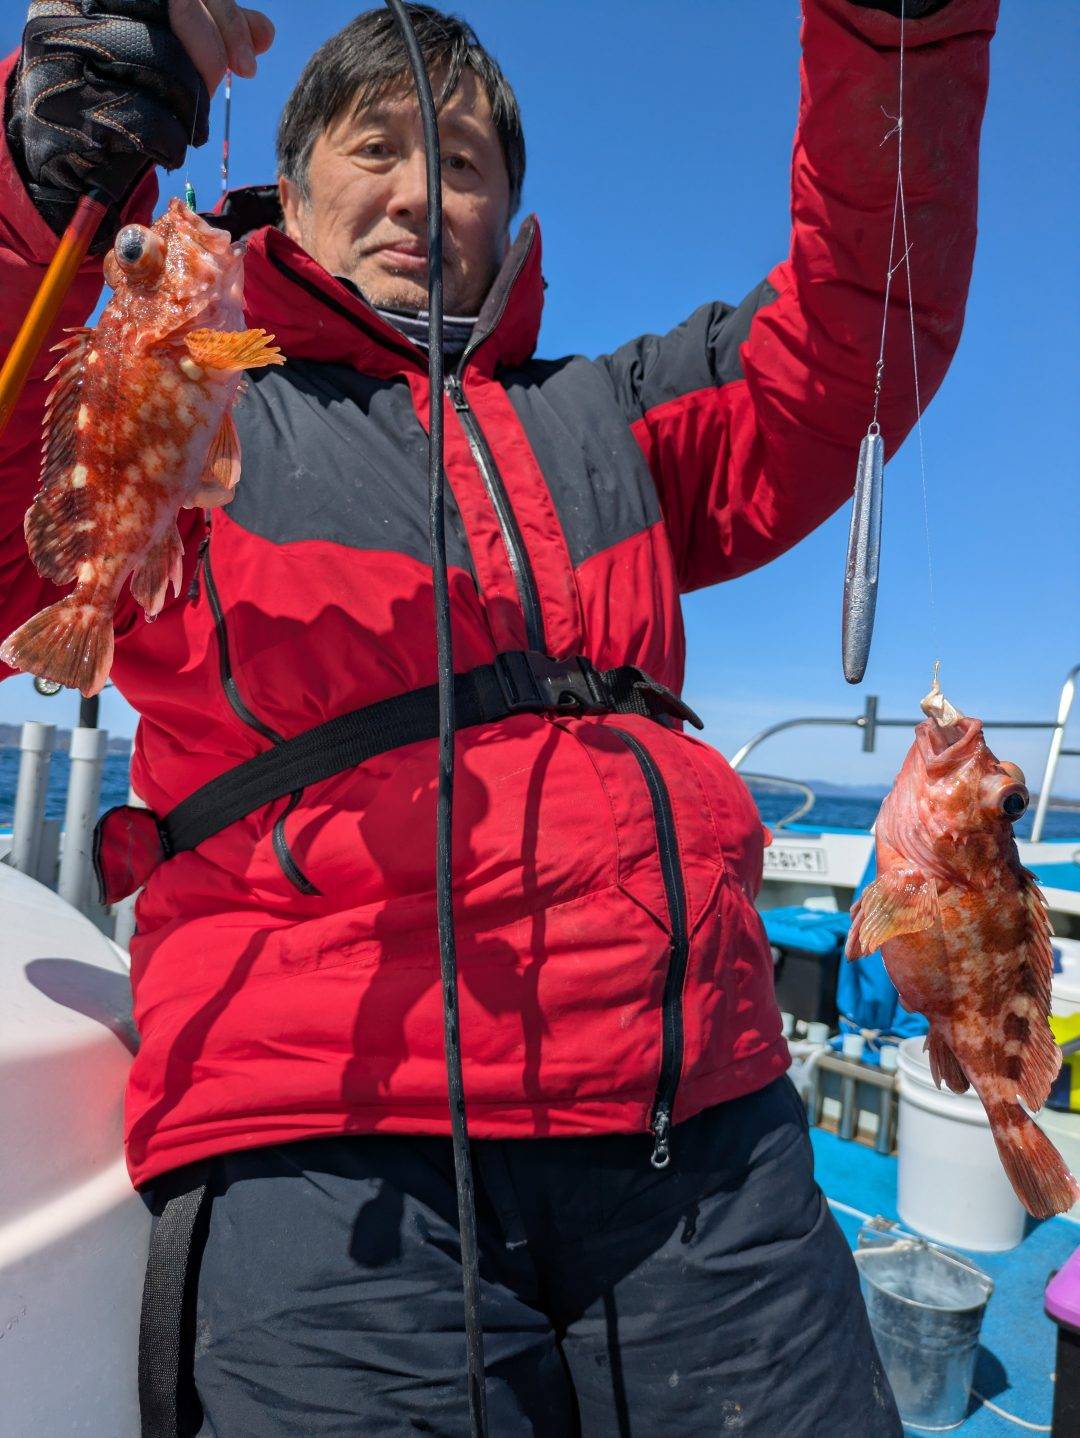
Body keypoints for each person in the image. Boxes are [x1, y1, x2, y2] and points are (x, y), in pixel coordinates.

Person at [0, 1, 997, 1433]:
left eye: (463, 162)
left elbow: (849, 342)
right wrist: (37, 187)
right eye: (378, 149)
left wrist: (898, 35)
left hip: (703, 1127)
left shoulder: (613, 414)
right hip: (325, 1142)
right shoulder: (195, 407)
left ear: (512, 219)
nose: (422, 194)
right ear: (288, 183)